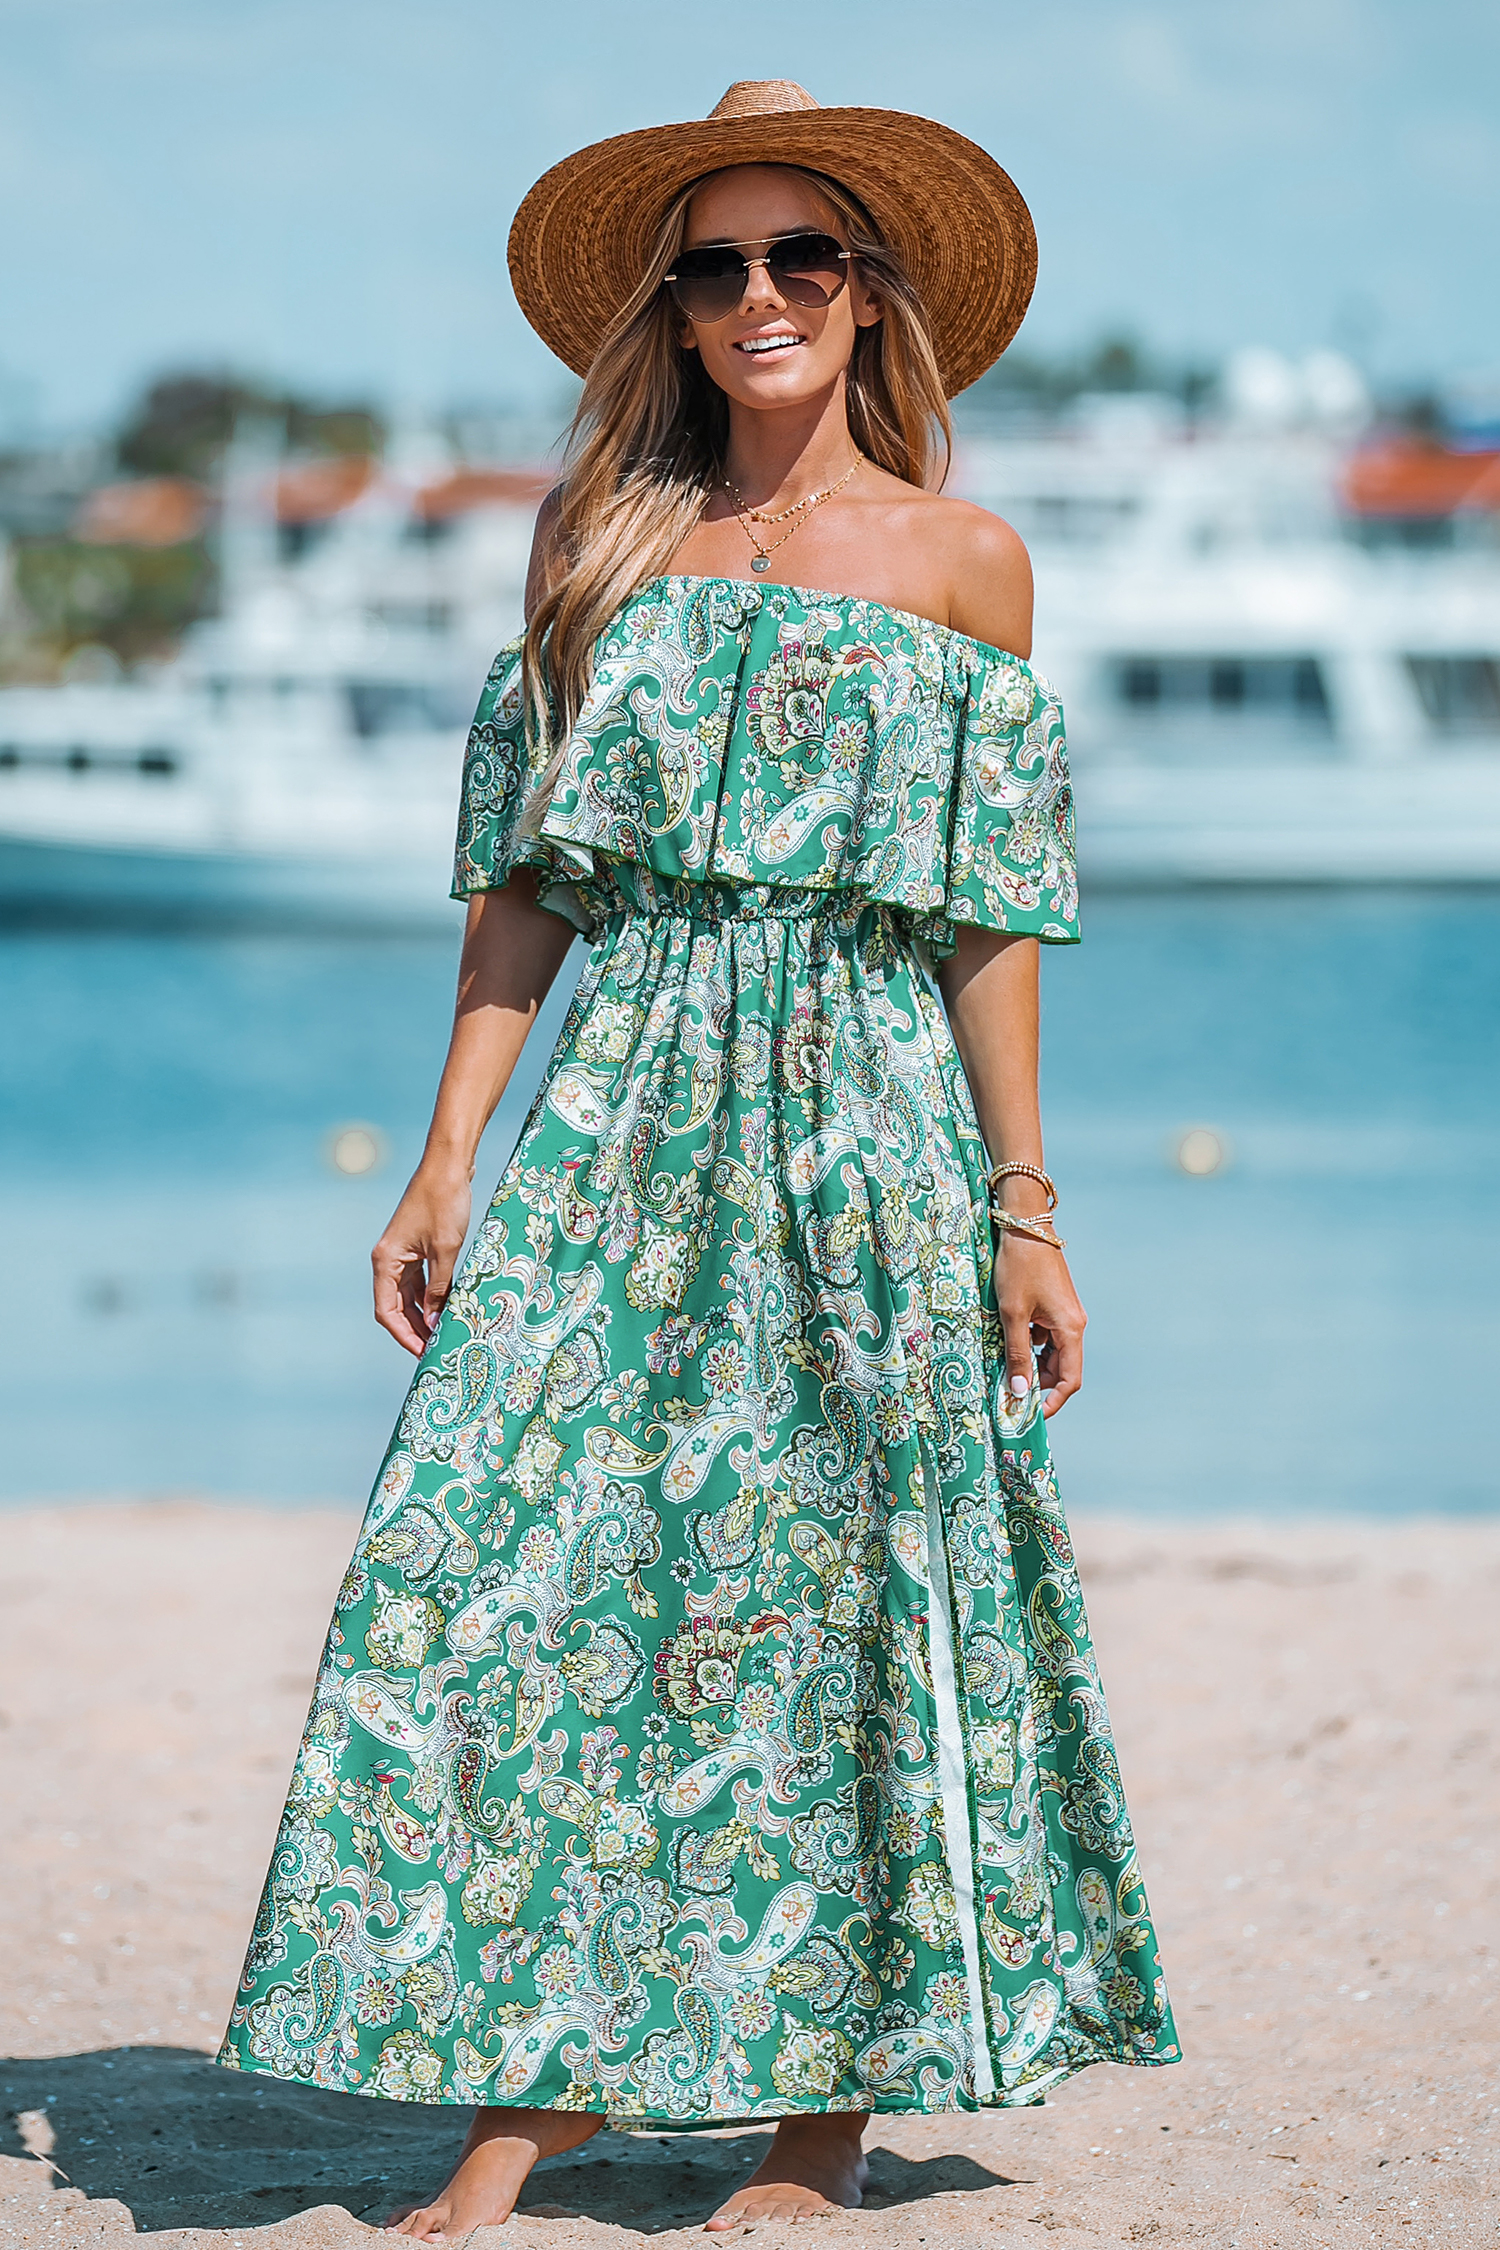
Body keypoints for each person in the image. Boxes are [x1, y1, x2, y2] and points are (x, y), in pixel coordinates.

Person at [218, 79, 1179, 2238]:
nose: (760, 294)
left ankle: (820, 2118)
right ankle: (535, 2083)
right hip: (622, 1108)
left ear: (870, 293)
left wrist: (1026, 1204)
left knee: (835, 1579)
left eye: (800, 256)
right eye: (716, 264)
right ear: (667, 308)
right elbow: (525, 886)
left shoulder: (965, 564)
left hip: (860, 1108)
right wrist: (445, 1156)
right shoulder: (598, 548)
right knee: (509, 1562)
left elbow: (989, 912)